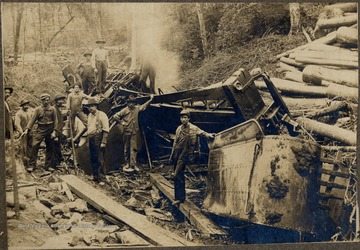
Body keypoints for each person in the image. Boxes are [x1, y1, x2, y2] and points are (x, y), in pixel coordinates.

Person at [169, 109, 214, 205]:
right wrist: (172, 155)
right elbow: (175, 143)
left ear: (188, 118)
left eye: (185, 117)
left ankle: (180, 198)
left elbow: (202, 132)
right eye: (182, 117)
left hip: (185, 154)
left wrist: (209, 135)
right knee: (179, 175)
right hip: (177, 152)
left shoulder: (193, 128)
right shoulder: (179, 129)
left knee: (176, 175)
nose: (183, 119)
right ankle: (179, 197)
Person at [113, 94, 154, 173]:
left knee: (134, 148)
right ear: (127, 103)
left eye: (133, 103)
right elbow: (115, 116)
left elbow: (144, 106)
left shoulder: (136, 109)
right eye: (129, 103)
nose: (131, 104)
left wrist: (151, 100)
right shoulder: (124, 110)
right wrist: (122, 122)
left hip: (134, 132)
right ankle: (127, 163)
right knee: (126, 148)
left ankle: (133, 164)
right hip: (126, 131)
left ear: (135, 103)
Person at [73, 98, 109, 182]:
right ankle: (95, 176)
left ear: (96, 106)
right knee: (93, 157)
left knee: (100, 158)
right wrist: (77, 137)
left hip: (98, 138)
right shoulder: (89, 115)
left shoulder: (102, 115)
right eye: (89, 107)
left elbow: (106, 129)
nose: (90, 108)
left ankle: (102, 178)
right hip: (91, 138)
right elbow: (87, 127)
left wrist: (104, 141)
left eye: (92, 106)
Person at [23, 93, 59, 172]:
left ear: (49, 100)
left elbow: (56, 121)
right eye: (44, 100)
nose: (46, 101)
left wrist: (54, 131)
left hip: (50, 129)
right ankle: (32, 165)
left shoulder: (53, 109)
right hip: (41, 129)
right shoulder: (38, 109)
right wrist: (27, 129)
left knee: (50, 146)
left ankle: (48, 166)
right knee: (34, 145)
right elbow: (32, 120)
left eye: (47, 100)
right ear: (41, 101)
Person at [14, 99, 34, 164]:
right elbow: (17, 124)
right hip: (22, 132)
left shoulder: (30, 111)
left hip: (30, 131)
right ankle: (23, 162)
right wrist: (21, 132)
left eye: (27, 105)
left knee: (30, 146)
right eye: (25, 105)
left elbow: (33, 120)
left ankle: (30, 161)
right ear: (22, 106)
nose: (26, 106)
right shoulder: (19, 113)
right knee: (23, 147)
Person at [53, 94, 67, 168]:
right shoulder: (54, 109)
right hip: (56, 132)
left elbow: (60, 119)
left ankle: (57, 163)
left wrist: (65, 116)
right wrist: (55, 134)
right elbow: (54, 122)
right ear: (56, 101)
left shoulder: (58, 109)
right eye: (59, 100)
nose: (61, 101)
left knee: (58, 147)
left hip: (59, 132)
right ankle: (55, 164)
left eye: (62, 100)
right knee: (55, 148)